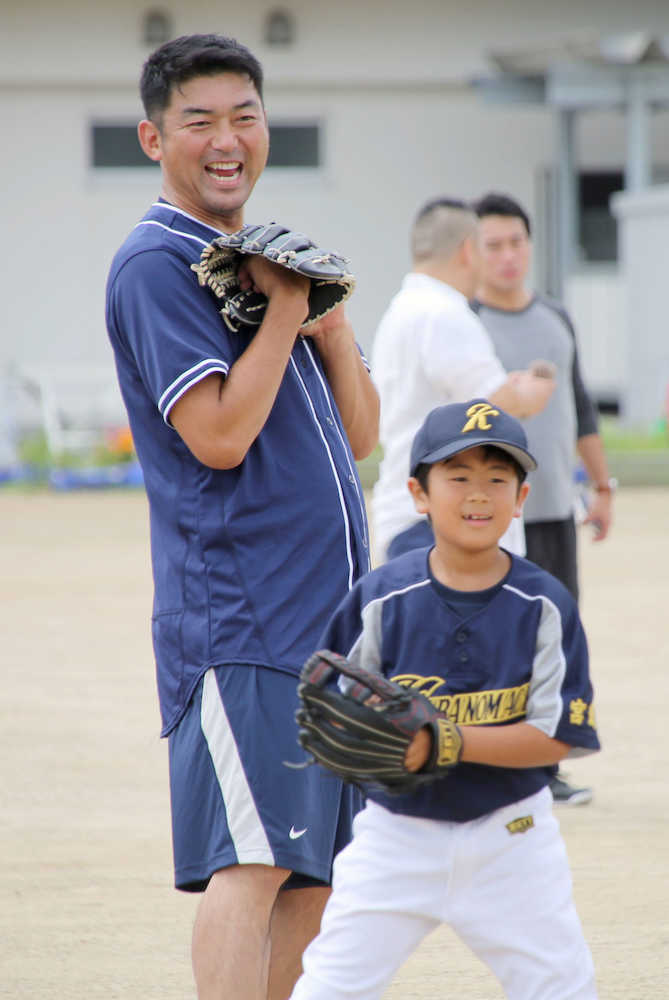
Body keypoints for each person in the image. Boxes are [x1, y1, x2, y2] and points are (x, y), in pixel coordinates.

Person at [105, 33, 379, 1000]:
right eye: (199, 122)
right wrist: (278, 310)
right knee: (254, 861)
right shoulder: (158, 266)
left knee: (312, 875)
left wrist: (329, 324)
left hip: (326, 625)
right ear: (153, 138)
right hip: (242, 619)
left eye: (245, 117)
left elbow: (358, 435)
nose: (227, 140)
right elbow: (217, 436)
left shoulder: (258, 263)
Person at [289, 399, 601, 1000]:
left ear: (522, 499)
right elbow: (325, 701)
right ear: (419, 492)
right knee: (331, 987)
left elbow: (560, 734)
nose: (478, 495)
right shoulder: (382, 598)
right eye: (457, 477)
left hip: (511, 835)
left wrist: (440, 741)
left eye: (497, 478)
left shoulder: (545, 605)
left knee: (563, 988)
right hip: (394, 834)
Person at [472, 191, 614, 805]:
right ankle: (494, 766)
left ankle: (543, 768)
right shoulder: (465, 323)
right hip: (497, 520)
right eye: (494, 245)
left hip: (556, 507)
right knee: (500, 640)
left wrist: (601, 486)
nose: (507, 256)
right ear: (473, 253)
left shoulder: (555, 316)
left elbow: (580, 406)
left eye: (516, 243)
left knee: (556, 638)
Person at [370, 197, 554, 567]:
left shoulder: (402, 309)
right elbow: (497, 406)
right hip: (441, 522)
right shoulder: (445, 313)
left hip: (409, 513)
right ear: (468, 250)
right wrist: (533, 389)